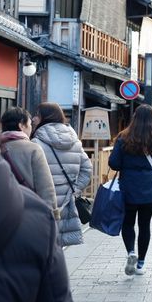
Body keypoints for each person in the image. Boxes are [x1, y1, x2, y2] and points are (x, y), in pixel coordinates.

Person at [0, 91, 76, 302]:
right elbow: (46, 187)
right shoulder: (38, 218)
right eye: (31, 121)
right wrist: (59, 210)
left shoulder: (13, 146)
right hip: (18, 212)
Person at [108, 104, 152, 275]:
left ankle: (131, 252)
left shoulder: (123, 137)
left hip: (128, 186)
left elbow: (113, 163)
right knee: (145, 225)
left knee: (127, 223)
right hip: (149, 187)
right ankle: (141, 264)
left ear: (135, 117)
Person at [32, 103, 92, 247]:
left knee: (43, 244)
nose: (33, 119)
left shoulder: (36, 143)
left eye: (36, 115)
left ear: (44, 118)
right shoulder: (75, 141)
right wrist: (74, 190)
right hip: (66, 201)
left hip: (44, 200)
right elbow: (87, 169)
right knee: (59, 247)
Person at [0, 106, 59, 220]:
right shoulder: (33, 149)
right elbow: (45, 188)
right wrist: (52, 216)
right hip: (27, 214)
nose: (31, 128)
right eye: (30, 124)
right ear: (21, 125)